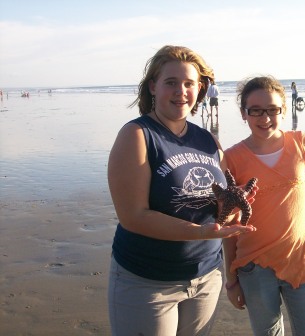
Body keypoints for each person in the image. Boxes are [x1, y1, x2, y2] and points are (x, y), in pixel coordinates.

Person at [107, 45, 257, 336]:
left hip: (206, 276)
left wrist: (231, 272)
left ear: (199, 88)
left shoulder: (207, 140)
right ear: (153, 86)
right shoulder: (138, 135)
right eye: (171, 83)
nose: (181, 91)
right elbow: (133, 216)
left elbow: (223, 207)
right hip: (148, 280)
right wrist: (200, 232)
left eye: (189, 83)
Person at [223, 76, 305, 335]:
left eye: (272, 110)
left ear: (284, 110)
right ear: (244, 114)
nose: (265, 118)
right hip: (253, 266)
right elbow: (229, 225)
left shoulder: (302, 144)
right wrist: (231, 281)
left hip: (303, 261)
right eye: (256, 110)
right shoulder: (232, 158)